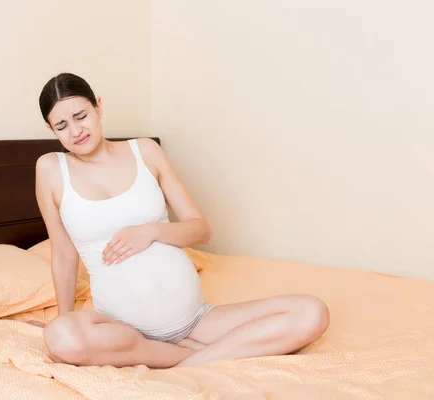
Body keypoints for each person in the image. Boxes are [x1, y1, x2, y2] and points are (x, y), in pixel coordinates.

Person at [34, 72, 330, 368]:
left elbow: (200, 230)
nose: (75, 130)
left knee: (312, 312)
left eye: (81, 116)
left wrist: (151, 232)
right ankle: (183, 354)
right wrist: (66, 317)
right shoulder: (50, 169)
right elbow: (63, 253)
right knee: (60, 337)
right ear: (51, 128)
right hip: (122, 331)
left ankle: (187, 361)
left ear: (98, 107)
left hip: (196, 322)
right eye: (62, 125)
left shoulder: (146, 150)